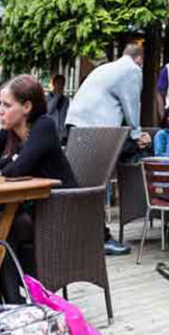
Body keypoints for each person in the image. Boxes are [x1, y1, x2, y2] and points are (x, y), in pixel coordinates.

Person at [0, 74, 77, 302]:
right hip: (35, 207)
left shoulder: (44, 126)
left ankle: (10, 302)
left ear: (27, 107)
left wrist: (10, 162)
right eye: (0, 103)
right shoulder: (10, 129)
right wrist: (12, 159)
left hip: (60, 211)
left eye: (7, 105)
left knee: (4, 227)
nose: (0, 110)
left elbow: (15, 170)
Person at [64, 43, 145, 255]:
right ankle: (100, 238)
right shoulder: (132, 70)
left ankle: (87, 235)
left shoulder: (105, 68)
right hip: (95, 129)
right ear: (139, 59)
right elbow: (132, 103)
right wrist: (137, 135)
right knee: (96, 185)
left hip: (76, 125)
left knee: (83, 184)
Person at [46, 73, 70, 139]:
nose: (60, 86)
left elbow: (65, 115)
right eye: (58, 83)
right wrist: (57, 97)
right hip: (50, 131)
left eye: (62, 84)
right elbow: (48, 110)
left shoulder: (66, 99)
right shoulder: (47, 98)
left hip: (62, 132)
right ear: (53, 84)